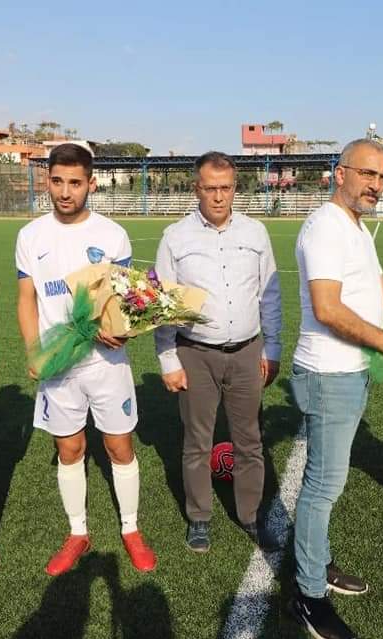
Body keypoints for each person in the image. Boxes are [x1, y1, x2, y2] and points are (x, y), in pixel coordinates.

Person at [290, 139, 383, 639]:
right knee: (323, 486)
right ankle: (309, 593)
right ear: (339, 173)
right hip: (329, 374)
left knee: (327, 482)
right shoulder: (325, 226)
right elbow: (327, 308)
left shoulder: (356, 228)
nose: (376, 185)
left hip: (350, 370)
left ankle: (319, 564)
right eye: (367, 174)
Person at [16, 142, 156, 575]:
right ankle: (78, 532)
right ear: (47, 181)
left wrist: (123, 329)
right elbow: (26, 299)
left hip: (106, 364)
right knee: (70, 448)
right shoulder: (30, 236)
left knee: (119, 446)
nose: (65, 191)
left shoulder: (112, 235)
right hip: (59, 364)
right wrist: (34, 351)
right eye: (57, 181)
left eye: (75, 183)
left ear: (91, 184)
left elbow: (125, 301)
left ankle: (130, 528)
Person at [154, 151, 282, 553]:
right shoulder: (175, 237)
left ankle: (251, 516)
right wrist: (168, 358)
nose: (218, 196)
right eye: (210, 188)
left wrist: (273, 347)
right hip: (195, 354)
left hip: (247, 352)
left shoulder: (256, 233)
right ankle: (199, 517)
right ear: (197, 188)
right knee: (197, 442)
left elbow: (269, 294)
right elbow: (163, 303)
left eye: (226, 188)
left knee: (250, 441)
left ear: (235, 188)